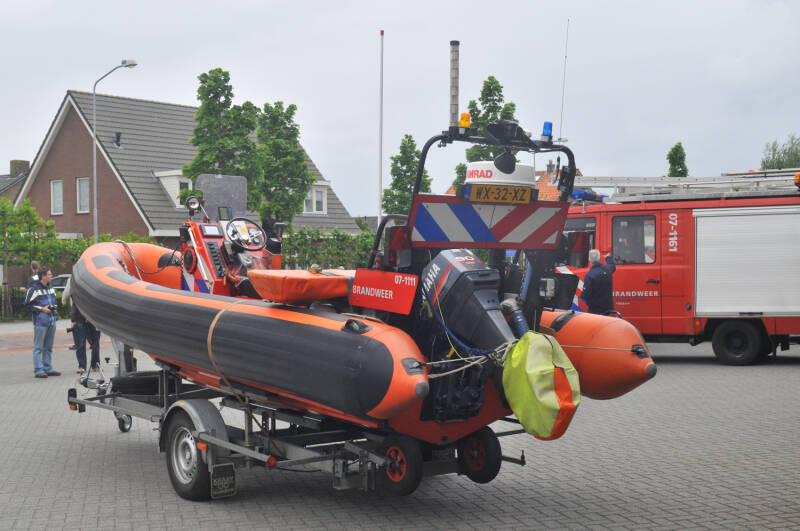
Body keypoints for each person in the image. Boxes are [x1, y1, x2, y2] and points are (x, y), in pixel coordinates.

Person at [24, 268, 60, 378]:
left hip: (51, 321)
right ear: (43, 276)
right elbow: (27, 305)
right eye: (49, 274)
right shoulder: (34, 289)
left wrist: (55, 311)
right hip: (40, 322)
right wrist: (42, 309)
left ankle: (47, 368)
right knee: (38, 347)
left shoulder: (50, 288)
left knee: (48, 347)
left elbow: (54, 302)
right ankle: (38, 370)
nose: (51, 276)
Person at [581, 249, 616, 315]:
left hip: (595, 311)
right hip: (608, 309)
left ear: (589, 260)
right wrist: (608, 257)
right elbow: (612, 265)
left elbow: (585, 295)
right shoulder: (608, 269)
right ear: (599, 258)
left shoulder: (589, 275)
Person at [71, 301, 101, 374]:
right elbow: (75, 302)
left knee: (95, 344)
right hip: (80, 318)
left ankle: (95, 365)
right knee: (80, 344)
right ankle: (82, 366)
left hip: (94, 319)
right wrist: (73, 319)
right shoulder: (78, 293)